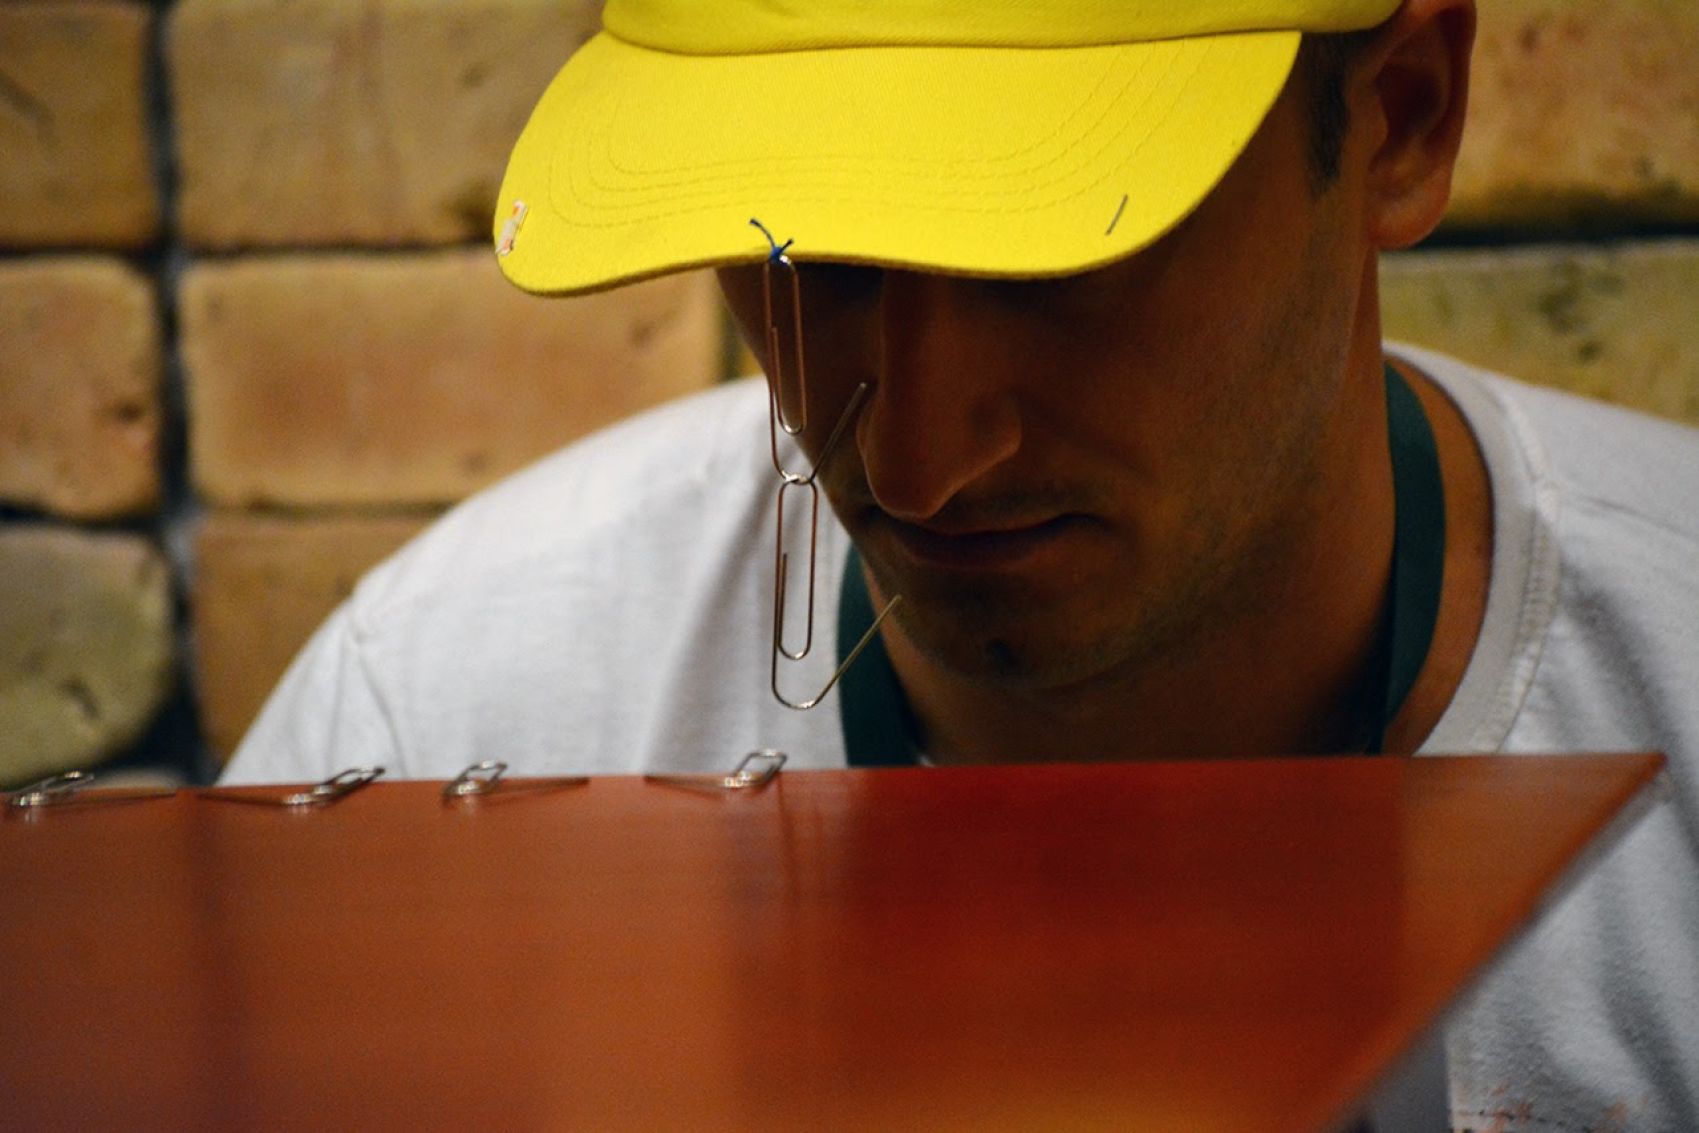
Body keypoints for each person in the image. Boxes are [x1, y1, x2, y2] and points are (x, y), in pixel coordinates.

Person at [224, 0, 1699, 1127]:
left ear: (1402, 116)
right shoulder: (428, 739)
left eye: (1059, 257)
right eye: (808, 264)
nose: (919, 460)